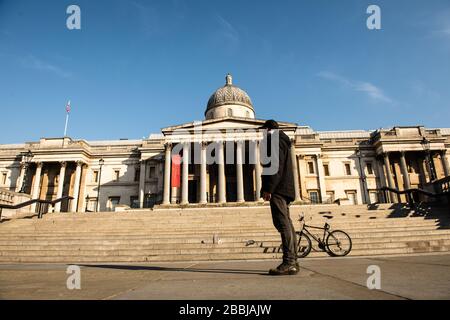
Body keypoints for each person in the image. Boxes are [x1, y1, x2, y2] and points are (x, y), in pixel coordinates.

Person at [260, 119, 299, 275]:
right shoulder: (283, 141)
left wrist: (268, 188)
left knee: (283, 224)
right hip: (285, 188)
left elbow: (274, 166)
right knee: (287, 224)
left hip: (278, 189)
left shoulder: (274, 141)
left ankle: (289, 261)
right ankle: (293, 261)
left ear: (269, 130)